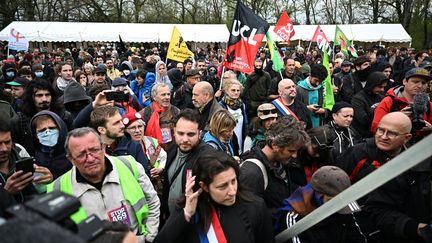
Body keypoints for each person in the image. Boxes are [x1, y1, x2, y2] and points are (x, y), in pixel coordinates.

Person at [47, 127, 160, 243]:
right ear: (70, 159)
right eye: (81, 155)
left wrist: (149, 238)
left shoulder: (129, 166)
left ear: (103, 147)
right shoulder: (57, 189)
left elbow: (152, 201)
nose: (90, 159)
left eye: (94, 150)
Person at [154, 150, 274, 243]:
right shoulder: (190, 211)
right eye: (222, 186)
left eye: (233, 181)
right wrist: (186, 214)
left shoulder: (255, 206)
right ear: (204, 186)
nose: (232, 191)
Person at [240, 116, 309, 215]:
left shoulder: (282, 160)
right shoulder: (251, 173)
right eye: (291, 151)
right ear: (275, 145)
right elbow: (250, 215)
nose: (295, 155)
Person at [275, 166, 365, 242]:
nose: (339, 206)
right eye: (333, 201)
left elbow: (357, 237)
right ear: (318, 195)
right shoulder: (295, 216)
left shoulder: (344, 207)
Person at [162, 108, 215, 216]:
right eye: (180, 133)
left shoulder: (207, 156)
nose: (185, 139)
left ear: (199, 134)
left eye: (190, 134)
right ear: (174, 131)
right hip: (170, 219)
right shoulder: (172, 149)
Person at [338, 112, 412, 184]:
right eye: (381, 130)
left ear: (406, 138)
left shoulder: (413, 160)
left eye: (392, 133)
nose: (384, 137)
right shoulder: (357, 153)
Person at [11, 79, 74, 155]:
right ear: (31, 97)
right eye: (39, 95)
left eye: (47, 95)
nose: (44, 99)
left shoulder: (64, 116)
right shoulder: (20, 121)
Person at [90, 105, 151, 176]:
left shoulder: (133, 146)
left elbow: (145, 177)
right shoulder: (92, 151)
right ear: (102, 130)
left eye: (121, 121)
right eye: (116, 123)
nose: (122, 125)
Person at [371, 68, 432, 138]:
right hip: (393, 145)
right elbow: (375, 128)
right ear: (405, 81)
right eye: (415, 82)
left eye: (423, 83)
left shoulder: (428, 105)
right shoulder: (389, 101)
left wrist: (430, 129)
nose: (420, 86)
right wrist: (397, 118)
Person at [0, 122, 52, 203]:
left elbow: (39, 188)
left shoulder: (19, 150)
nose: (4, 149)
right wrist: (6, 194)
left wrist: (48, 180)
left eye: (7, 142)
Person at [122, 111, 167, 193]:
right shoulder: (124, 149)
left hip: (156, 186)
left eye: (140, 126)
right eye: (132, 128)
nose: (137, 130)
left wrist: (160, 168)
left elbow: (164, 156)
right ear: (125, 131)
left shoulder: (152, 141)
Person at [30, 110, 72, 179]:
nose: (48, 133)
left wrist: (53, 178)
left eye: (52, 128)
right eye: (42, 130)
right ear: (36, 135)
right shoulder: (35, 157)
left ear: (60, 128)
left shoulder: (72, 153)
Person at [140, 83, 180, 151]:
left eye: (168, 94)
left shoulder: (176, 111)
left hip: (173, 152)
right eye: (163, 95)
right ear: (154, 97)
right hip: (153, 152)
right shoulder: (145, 113)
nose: (167, 97)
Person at [351, 71, 388, 138]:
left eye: (384, 87)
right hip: (362, 136)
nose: (382, 90)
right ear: (372, 85)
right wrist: (377, 110)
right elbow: (363, 120)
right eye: (379, 87)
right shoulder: (358, 99)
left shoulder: (381, 97)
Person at [219, 78, 248, 152]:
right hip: (228, 141)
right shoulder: (221, 105)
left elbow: (245, 124)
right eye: (233, 90)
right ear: (226, 91)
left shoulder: (242, 105)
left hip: (241, 138)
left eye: (238, 90)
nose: (236, 92)